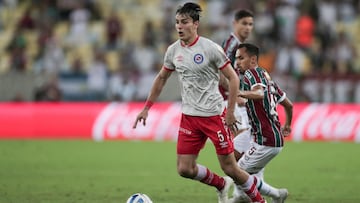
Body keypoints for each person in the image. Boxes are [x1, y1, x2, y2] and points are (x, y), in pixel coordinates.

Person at [132, 3, 265, 203]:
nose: (179, 26)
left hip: (213, 116)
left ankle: (259, 200)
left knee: (231, 167)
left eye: (184, 22)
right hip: (189, 118)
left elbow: (233, 79)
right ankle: (221, 184)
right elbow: (161, 78)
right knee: (184, 169)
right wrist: (146, 108)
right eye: (177, 22)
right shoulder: (173, 50)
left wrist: (230, 112)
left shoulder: (210, 48)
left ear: (195, 24)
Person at [231, 43, 293, 203]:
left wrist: (239, 92)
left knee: (238, 173)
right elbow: (289, 104)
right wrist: (287, 124)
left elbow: (259, 93)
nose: (237, 62)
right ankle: (242, 196)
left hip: (266, 141)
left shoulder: (252, 74)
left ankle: (273, 195)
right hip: (265, 137)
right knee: (233, 158)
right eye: (236, 58)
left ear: (252, 60)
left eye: (241, 58)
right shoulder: (267, 78)